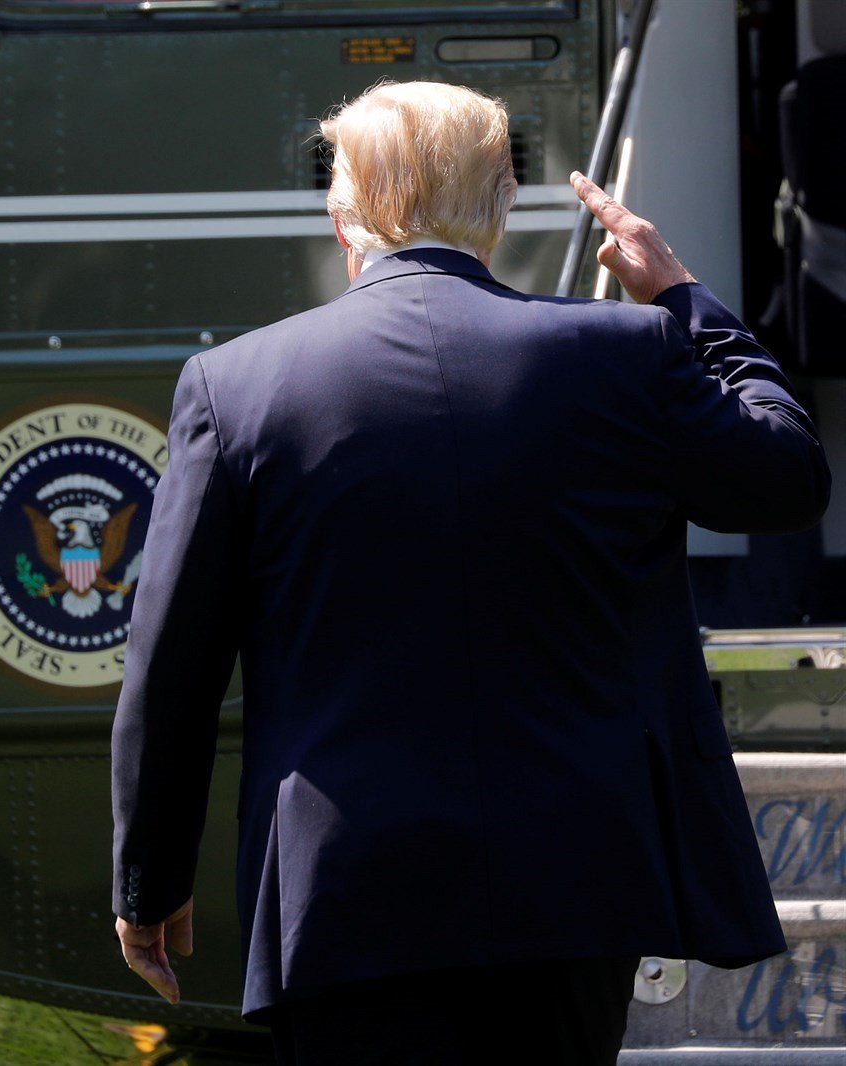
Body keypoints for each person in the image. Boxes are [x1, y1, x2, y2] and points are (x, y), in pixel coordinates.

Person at [109, 81, 830, 1065]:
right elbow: (787, 477)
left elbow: (173, 668)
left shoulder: (235, 387)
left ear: (341, 217)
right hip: (574, 878)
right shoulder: (623, 352)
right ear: (502, 207)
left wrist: (148, 882)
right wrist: (681, 298)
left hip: (346, 885)